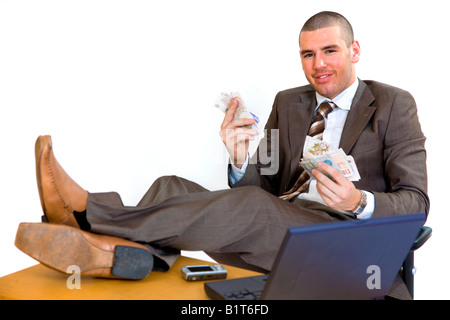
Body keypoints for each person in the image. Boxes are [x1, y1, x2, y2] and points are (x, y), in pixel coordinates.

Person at [15, 11, 429, 299]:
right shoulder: (290, 103)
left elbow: (417, 201)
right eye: (308, 54)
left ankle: (88, 214)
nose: (318, 64)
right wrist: (239, 160)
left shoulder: (393, 104)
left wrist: (358, 202)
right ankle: (126, 257)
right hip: (278, 233)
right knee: (168, 186)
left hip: (347, 249)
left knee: (253, 208)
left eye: (330, 51)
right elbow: (263, 185)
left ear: (354, 51)